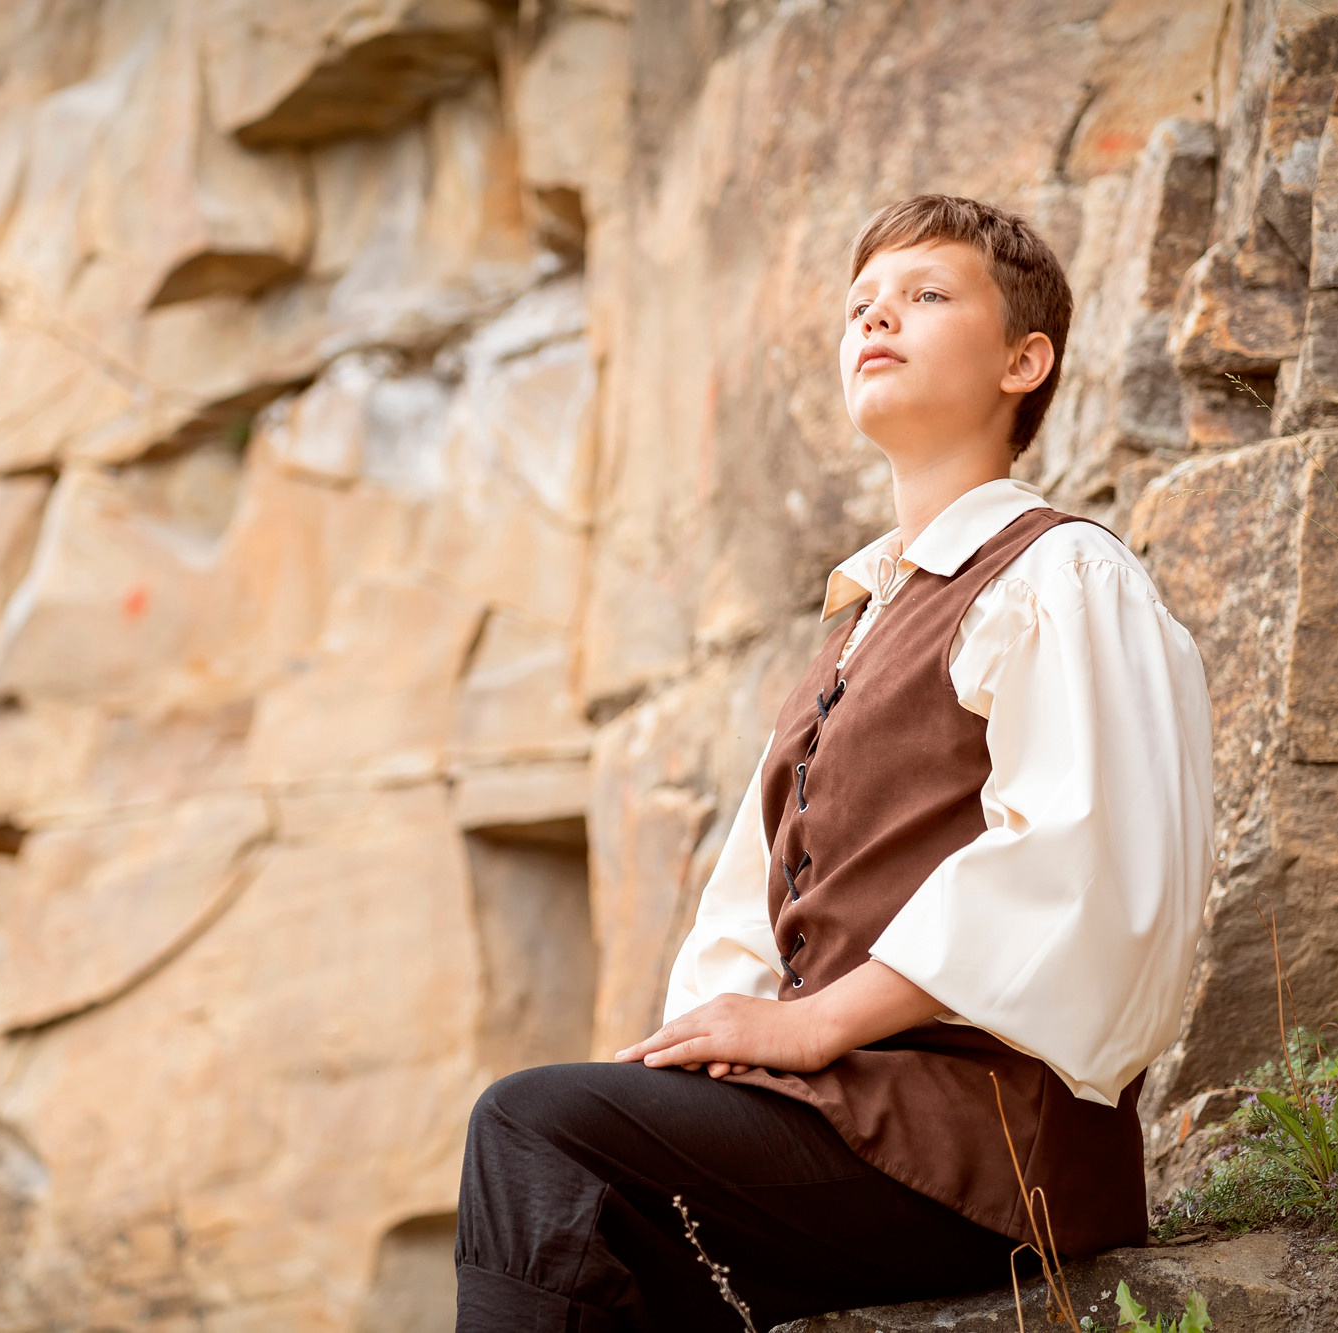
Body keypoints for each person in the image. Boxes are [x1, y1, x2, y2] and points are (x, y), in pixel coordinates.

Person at [453, 195, 1215, 1332]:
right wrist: (696, 1062)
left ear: (1024, 360)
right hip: (839, 1122)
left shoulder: (1063, 576)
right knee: (567, 1213)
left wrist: (811, 1028)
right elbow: (742, 929)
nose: (876, 319)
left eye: (924, 294)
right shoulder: (855, 631)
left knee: (530, 1126)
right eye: (860, 305)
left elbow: (1082, 868)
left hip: (987, 1145)